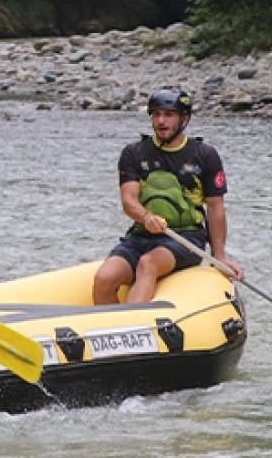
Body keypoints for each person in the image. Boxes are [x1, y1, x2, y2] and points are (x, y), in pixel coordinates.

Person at [91, 87, 244, 304]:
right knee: (104, 278)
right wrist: (146, 218)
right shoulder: (133, 153)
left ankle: (133, 326)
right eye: (156, 114)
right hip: (141, 235)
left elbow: (215, 208)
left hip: (186, 237)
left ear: (183, 118)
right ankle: (106, 332)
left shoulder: (204, 155)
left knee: (148, 263)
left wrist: (219, 256)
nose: (161, 121)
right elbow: (128, 200)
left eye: (168, 115)